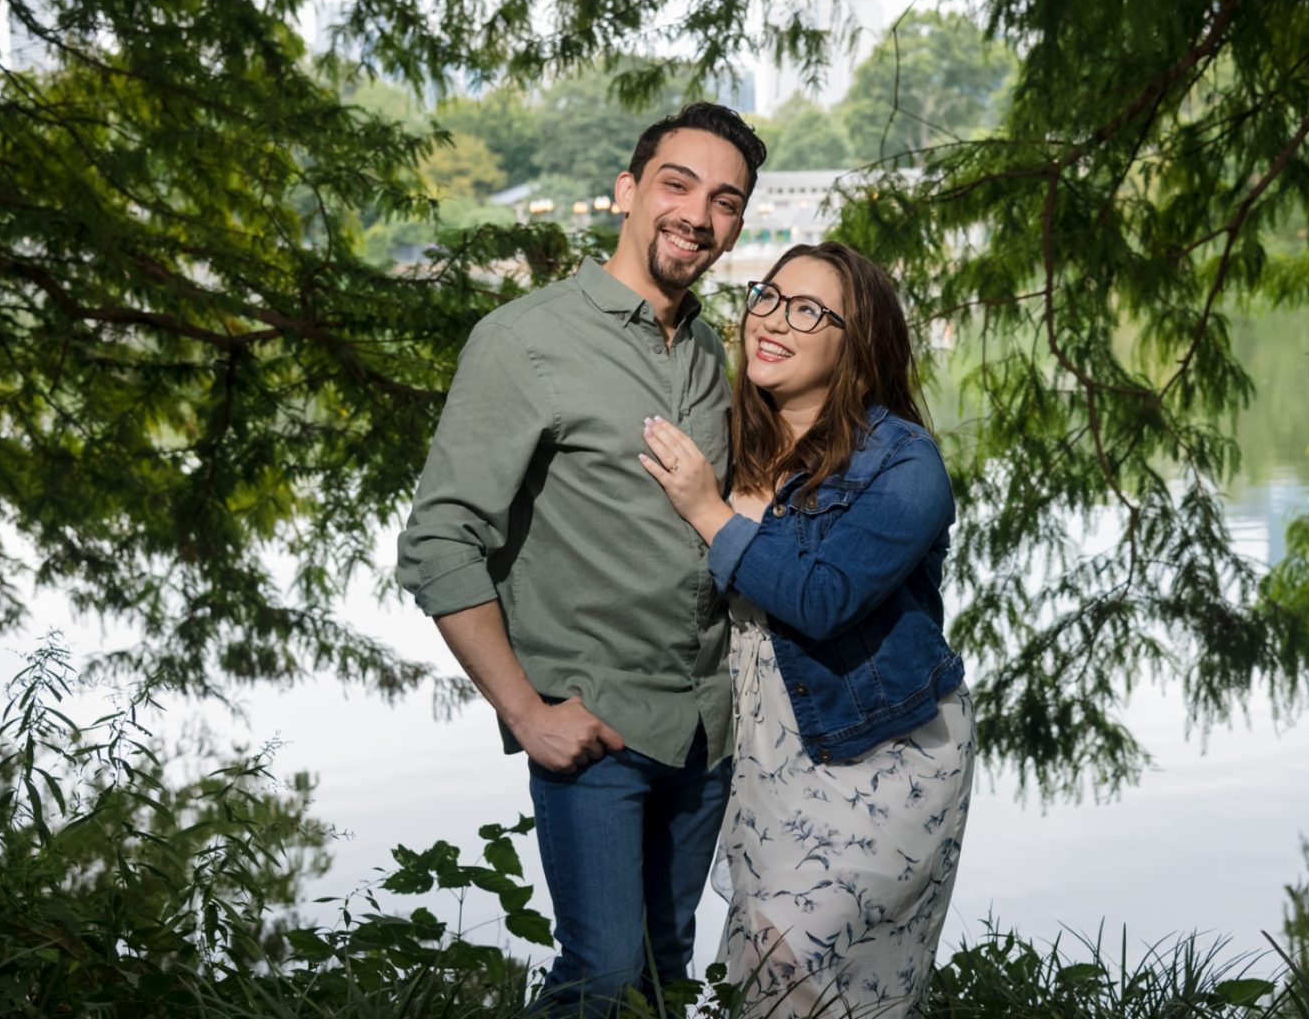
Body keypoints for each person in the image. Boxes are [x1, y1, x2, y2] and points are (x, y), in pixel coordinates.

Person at [395, 101, 768, 1013]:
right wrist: (525, 711)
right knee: (600, 974)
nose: (698, 214)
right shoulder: (525, 340)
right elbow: (440, 540)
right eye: (677, 184)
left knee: (662, 976)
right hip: (594, 726)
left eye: (725, 200)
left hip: (704, 731)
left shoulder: (714, 356)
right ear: (627, 192)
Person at [639, 240, 974, 1019]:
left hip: (882, 754)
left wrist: (706, 509)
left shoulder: (905, 462)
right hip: (759, 752)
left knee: (801, 969)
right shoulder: (729, 439)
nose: (773, 319)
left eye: (808, 309)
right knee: (767, 976)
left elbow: (823, 599)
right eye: (768, 295)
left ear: (856, 344)